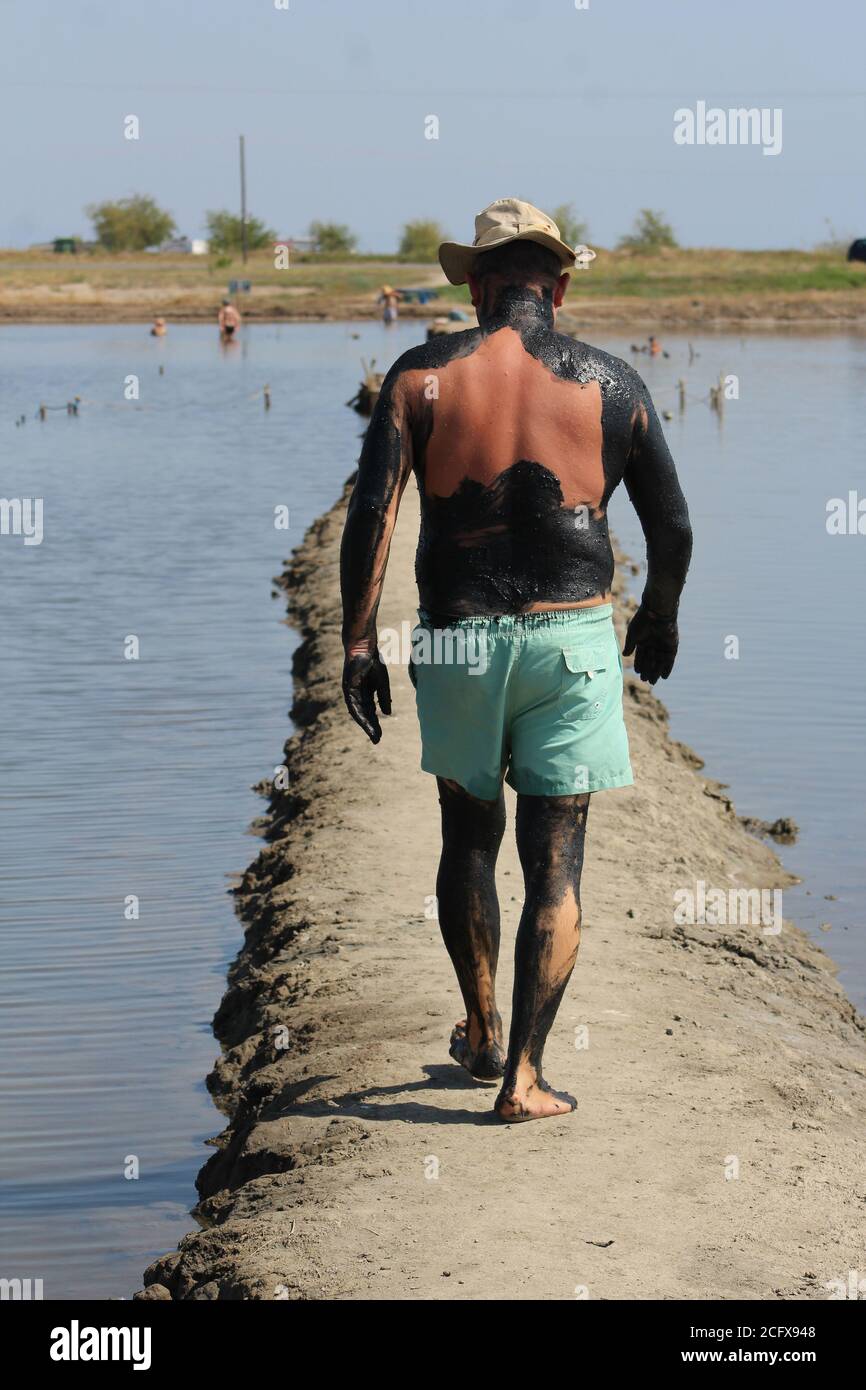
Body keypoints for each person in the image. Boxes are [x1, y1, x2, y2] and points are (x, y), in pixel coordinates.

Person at [340, 198, 692, 1123]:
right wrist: (658, 618)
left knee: (467, 835)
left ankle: (482, 1022)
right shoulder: (612, 383)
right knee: (557, 861)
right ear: (561, 288)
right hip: (570, 638)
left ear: (479, 286)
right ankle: (525, 1079)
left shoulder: (421, 377)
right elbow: (675, 525)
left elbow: (373, 515)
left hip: (457, 636)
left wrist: (355, 642)